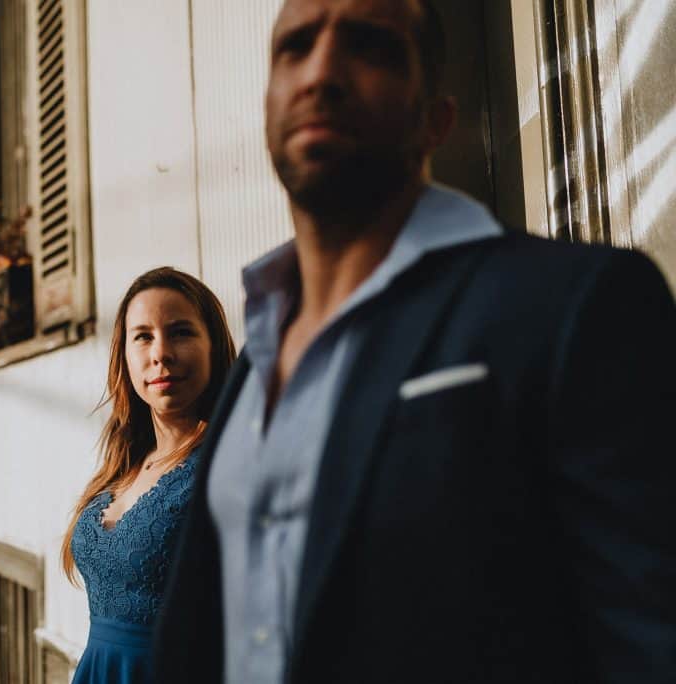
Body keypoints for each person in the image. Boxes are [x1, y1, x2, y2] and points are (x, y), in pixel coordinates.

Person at [152, 1, 676, 682]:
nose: (322, 73)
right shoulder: (258, 351)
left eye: (370, 46)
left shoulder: (579, 305)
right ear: (269, 105)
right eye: (296, 47)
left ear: (437, 119)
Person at [62, 267, 235, 683]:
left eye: (180, 332)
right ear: (124, 353)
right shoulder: (123, 462)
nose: (161, 353)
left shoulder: (231, 462)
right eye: (143, 336)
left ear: (213, 346)